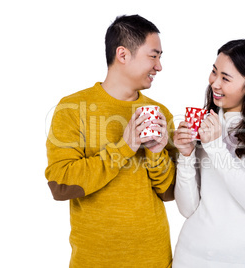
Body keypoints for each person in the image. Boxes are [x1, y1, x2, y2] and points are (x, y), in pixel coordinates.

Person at [45, 15, 176, 268]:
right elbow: (60, 185)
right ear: (123, 55)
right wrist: (123, 147)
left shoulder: (160, 113)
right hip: (94, 261)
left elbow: (169, 192)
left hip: (154, 258)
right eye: (154, 56)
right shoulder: (72, 108)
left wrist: (157, 153)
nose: (159, 66)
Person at [172, 39, 245, 267]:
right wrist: (185, 156)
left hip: (243, 260)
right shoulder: (208, 122)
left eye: (225, 78)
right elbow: (188, 209)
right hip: (191, 255)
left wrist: (215, 147)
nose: (214, 83)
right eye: (214, 72)